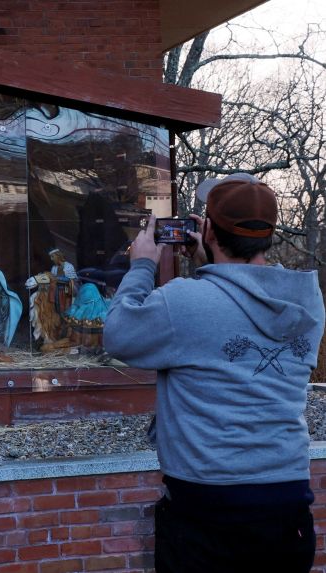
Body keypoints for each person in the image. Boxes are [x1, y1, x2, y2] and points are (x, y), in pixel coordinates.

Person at [103, 173, 325, 573]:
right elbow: (239, 301)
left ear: (208, 230)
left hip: (206, 515)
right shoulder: (308, 301)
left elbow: (118, 335)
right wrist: (210, 262)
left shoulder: (184, 302)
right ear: (268, 234)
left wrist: (140, 266)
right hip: (287, 508)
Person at [48, 248, 78, 319]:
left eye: (53, 257)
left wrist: (57, 278)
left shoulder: (68, 266)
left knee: (67, 307)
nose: (51, 259)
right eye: (51, 257)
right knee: (58, 308)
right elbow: (52, 279)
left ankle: (67, 321)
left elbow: (72, 279)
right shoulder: (54, 268)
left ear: (57, 256)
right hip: (57, 290)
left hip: (67, 289)